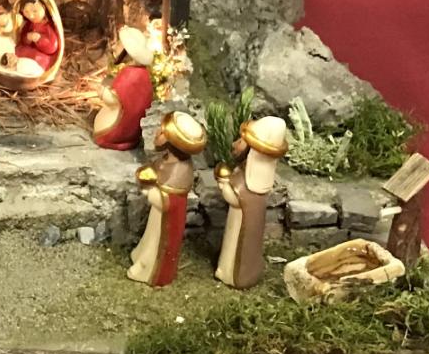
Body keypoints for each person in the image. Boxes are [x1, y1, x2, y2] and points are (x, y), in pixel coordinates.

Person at [127, 112, 206, 288]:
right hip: (157, 217)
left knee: (156, 242)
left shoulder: (180, 171)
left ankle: (146, 267)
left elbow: (168, 202)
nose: (157, 134)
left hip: (166, 223)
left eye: (163, 132)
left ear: (174, 142)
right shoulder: (166, 160)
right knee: (149, 236)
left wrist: (148, 189)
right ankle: (140, 256)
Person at [215, 117, 289, 289]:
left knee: (235, 248)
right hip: (239, 222)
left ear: (252, 151)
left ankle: (231, 274)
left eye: (241, 142)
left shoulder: (250, 183)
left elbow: (235, 198)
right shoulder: (249, 176)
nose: (235, 144)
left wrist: (223, 182)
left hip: (240, 225)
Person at [90, 25, 157, 151]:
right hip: (133, 132)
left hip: (118, 130)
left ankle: (112, 138)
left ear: (127, 51)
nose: (114, 47)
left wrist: (102, 92)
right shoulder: (144, 73)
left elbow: (114, 101)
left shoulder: (129, 74)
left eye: (119, 44)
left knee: (102, 121)